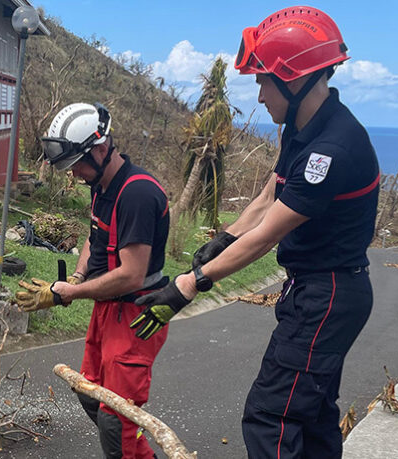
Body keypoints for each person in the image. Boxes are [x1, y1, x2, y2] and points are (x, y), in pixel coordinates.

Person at [130, 6, 380, 458]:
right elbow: (269, 197)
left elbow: (268, 236)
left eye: (264, 81)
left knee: (271, 416)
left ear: (294, 77)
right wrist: (225, 237)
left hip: (330, 294)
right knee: (315, 414)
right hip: (316, 290)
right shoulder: (302, 129)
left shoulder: (332, 151)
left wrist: (189, 285)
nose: (260, 95)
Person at [17, 102, 170, 458]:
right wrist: (79, 275)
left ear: (101, 148)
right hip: (108, 309)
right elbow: (94, 236)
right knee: (90, 394)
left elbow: (132, 274)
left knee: (117, 420)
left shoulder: (137, 193)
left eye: (77, 166)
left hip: (135, 315)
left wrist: (71, 293)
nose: (74, 175)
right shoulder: (101, 184)